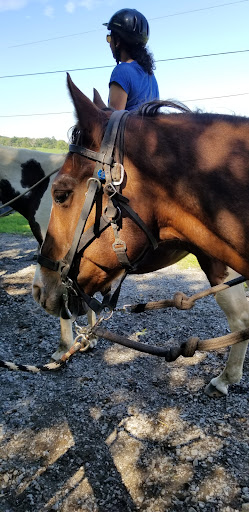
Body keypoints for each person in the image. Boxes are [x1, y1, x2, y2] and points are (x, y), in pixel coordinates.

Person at [103, 8, 159, 111]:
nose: (109, 43)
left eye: (109, 38)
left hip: (131, 128)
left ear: (118, 41)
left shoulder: (122, 71)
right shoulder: (151, 76)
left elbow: (114, 122)